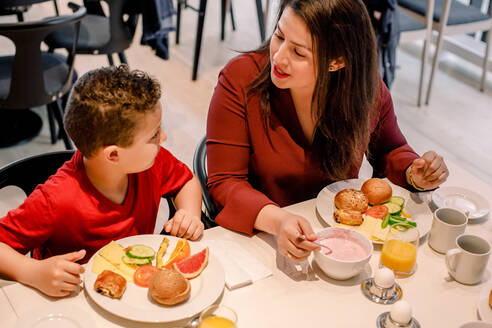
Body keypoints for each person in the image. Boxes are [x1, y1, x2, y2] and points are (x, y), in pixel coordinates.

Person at [206, 0, 448, 262]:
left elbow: (390, 149)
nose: (278, 56)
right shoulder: (241, 78)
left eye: (299, 53)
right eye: (279, 35)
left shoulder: (364, 90)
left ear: (337, 61)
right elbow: (225, 181)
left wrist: (415, 172)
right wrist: (279, 221)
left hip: (342, 242)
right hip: (262, 240)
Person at [0, 65, 204, 297]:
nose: (164, 138)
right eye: (154, 135)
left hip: (134, 291)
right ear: (114, 155)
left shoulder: (151, 162)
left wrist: (190, 213)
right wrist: (32, 271)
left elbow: (186, 181)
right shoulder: (56, 199)